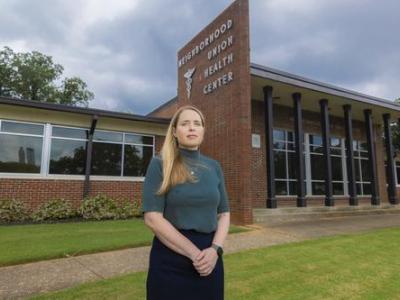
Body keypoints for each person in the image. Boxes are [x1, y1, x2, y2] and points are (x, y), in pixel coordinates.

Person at [142, 105, 230, 300]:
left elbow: (224, 214)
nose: (192, 128)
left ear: (203, 130)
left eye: (197, 124)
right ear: (174, 131)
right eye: (185, 123)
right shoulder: (160, 163)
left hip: (210, 258)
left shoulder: (214, 167)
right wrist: (194, 254)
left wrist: (215, 250)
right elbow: (152, 218)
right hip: (171, 258)